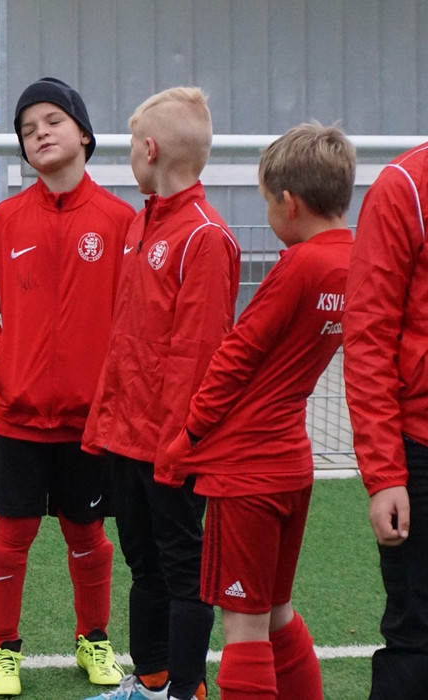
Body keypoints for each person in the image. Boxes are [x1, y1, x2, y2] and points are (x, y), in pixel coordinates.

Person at [160, 123, 355, 699]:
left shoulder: (299, 265)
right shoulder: (356, 261)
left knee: (243, 625)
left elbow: (235, 357)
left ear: (289, 203)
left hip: (246, 470)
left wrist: (188, 438)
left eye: (268, 202)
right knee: (276, 613)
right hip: (292, 462)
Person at [0, 77, 135, 697]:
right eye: (27, 128)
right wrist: (1, 366)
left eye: (52, 120)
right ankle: (1, 649)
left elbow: (135, 316)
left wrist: (112, 386)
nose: (39, 133)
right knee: (9, 541)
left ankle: (93, 639)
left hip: (90, 422)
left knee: (88, 537)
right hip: (18, 416)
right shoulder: (7, 219)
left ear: (83, 133)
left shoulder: (120, 221)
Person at [82, 87, 240, 700]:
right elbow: (126, 339)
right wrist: (105, 425)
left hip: (169, 447)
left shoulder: (205, 237)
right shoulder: (142, 222)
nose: (128, 155)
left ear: (149, 150)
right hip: (126, 437)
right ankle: (150, 683)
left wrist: (177, 446)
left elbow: (197, 358)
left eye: (130, 145)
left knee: (182, 568)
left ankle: (186, 690)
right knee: (143, 563)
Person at [344, 139, 428, 698]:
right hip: (418, 449)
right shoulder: (405, 186)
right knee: (417, 636)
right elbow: (368, 338)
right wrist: (385, 476)